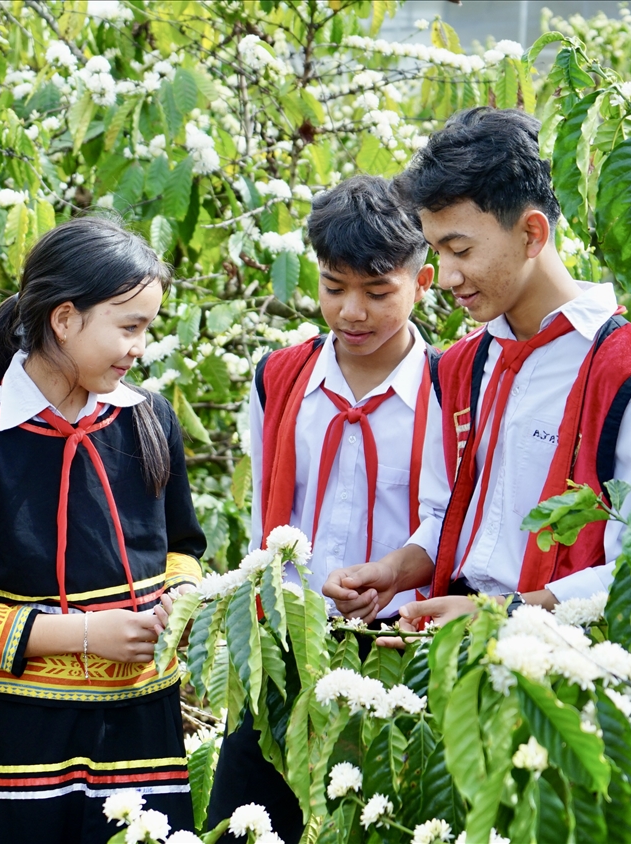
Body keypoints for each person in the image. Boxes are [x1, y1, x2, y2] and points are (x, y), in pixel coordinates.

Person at [325, 107, 631, 629]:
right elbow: (446, 516)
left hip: (569, 668)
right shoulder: (463, 366)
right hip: (454, 648)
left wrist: (505, 613)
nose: (447, 276)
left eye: (461, 250)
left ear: (532, 234)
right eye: (436, 250)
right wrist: (393, 570)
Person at [0, 216, 206, 843]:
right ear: (66, 319)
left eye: (147, 329)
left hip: (142, 725)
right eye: (129, 327)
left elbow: (183, 546)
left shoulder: (150, 419)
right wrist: (84, 634)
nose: (140, 348)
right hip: (26, 737)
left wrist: (182, 599)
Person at [206, 176, 442, 843]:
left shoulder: (451, 390)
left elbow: (445, 520)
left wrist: (392, 580)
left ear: (422, 283)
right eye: (334, 287)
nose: (352, 312)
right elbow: (266, 517)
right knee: (245, 823)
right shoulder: (277, 378)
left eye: (377, 292)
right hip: (287, 649)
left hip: (396, 651)